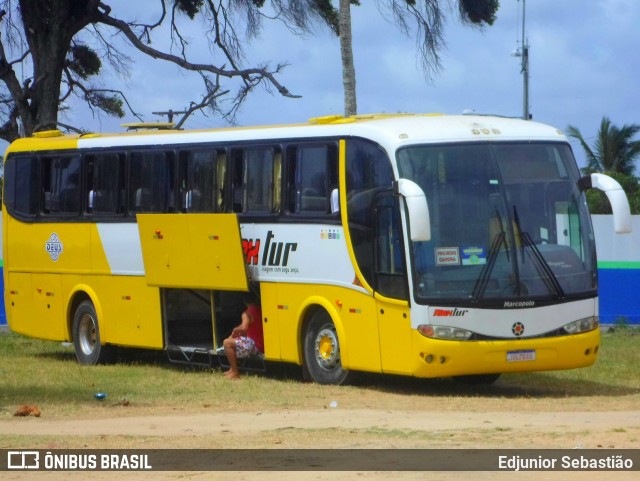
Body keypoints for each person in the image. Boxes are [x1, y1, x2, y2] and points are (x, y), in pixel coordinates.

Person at [222, 299, 263, 380]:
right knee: (235, 341)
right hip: (261, 344)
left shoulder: (247, 313)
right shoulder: (260, 310)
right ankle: (231, 369)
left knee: (227, 343)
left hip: (254, 345)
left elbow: (244, 328)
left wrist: (234, 331)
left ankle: (235, 372)